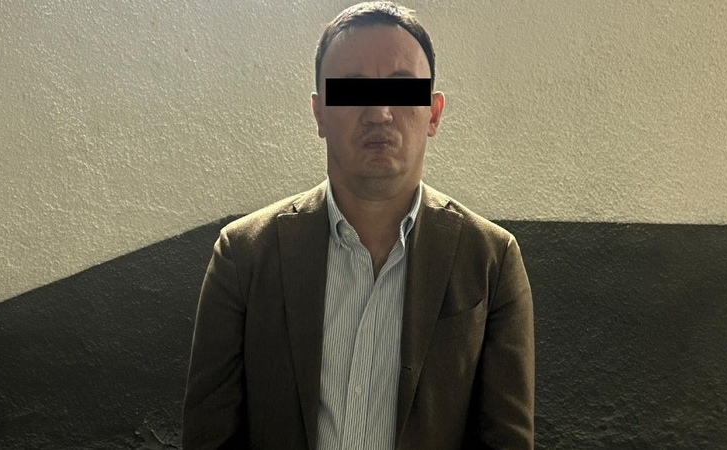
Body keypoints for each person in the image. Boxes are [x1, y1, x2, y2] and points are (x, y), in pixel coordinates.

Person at [182, 2, 534, 449]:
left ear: (434, 113)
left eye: (402, 89)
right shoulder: (243, 255)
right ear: (320, 113)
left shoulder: (491, 260)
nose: (379, 111)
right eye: (352, 89)